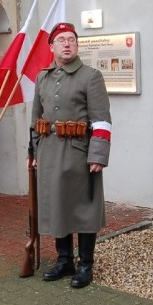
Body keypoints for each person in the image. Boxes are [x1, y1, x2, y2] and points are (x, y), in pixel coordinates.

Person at [30, 22, 112, 289]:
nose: (67, 44)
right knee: (56, 206)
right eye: (61, 40)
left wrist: (97, 155)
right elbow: (36, 118)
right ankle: (64, 260)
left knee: (84, 208)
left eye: (72, 40)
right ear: (51, 46)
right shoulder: (43, 77)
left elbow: (101, 121)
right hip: (49, 151)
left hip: (79, 151)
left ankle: (85, 264)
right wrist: (33, 149)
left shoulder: (90, 76)